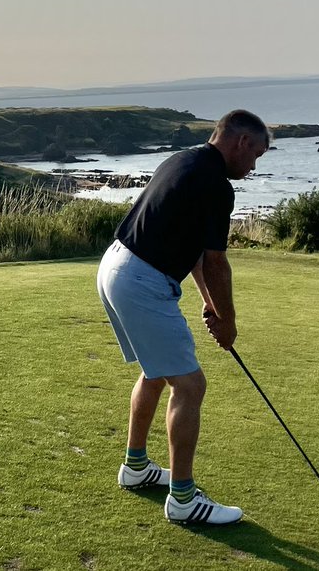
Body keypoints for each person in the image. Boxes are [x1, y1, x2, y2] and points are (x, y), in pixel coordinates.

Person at [95, 109, 269, 525]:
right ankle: (184, 501)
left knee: (157, 372)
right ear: (241, 142)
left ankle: (136, 469)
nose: (255, 164)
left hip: (115, 267)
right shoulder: (216, 184)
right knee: (190, 385)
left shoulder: (183, 161)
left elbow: (193, 251)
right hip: (141, 279)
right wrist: (227, 321)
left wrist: (210, 303)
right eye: (256, 154)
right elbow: (216, 262)